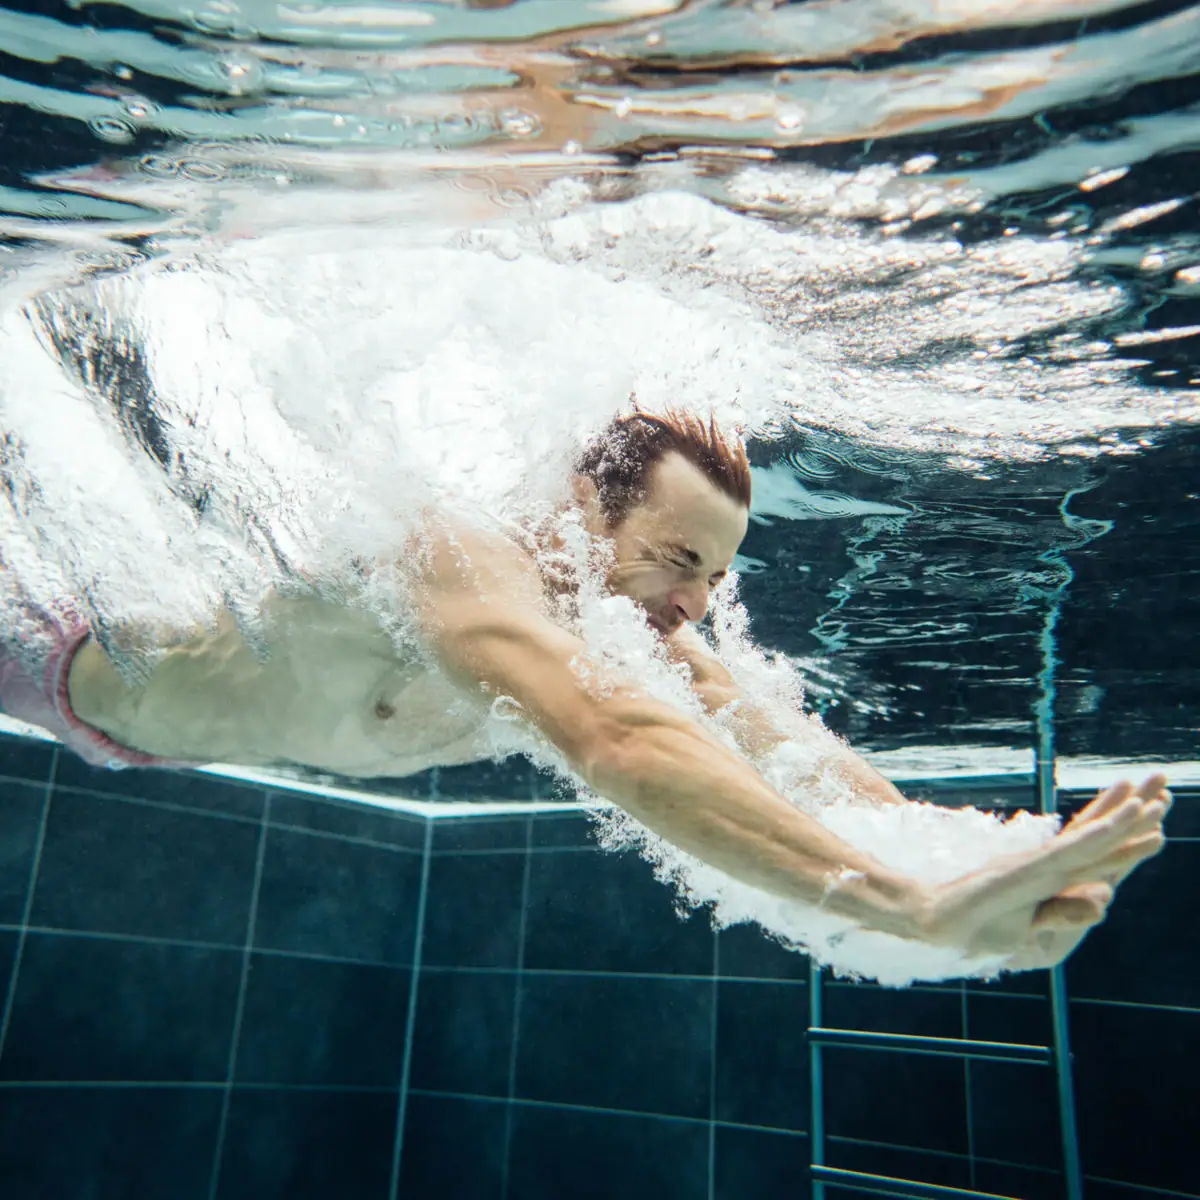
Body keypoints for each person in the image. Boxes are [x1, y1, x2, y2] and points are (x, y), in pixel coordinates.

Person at [2, 410, 1168, 969]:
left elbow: (787, 746)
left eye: (715, 578)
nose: (695, 604)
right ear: (580, 513)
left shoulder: (626, 621)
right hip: (42, 631)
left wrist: (963, 863)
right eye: (677, 559)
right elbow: (614, 738)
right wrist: (902, 907)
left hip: (127, 721)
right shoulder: (462, 556)